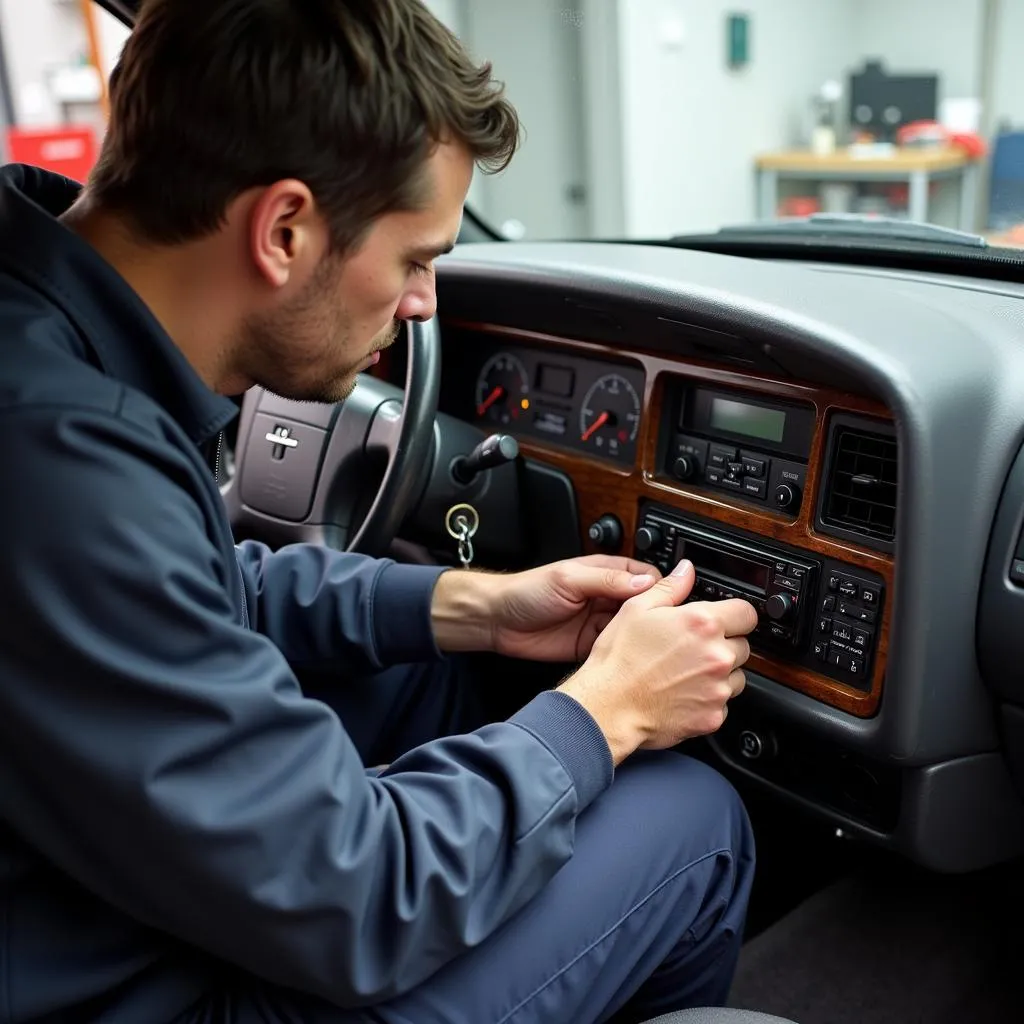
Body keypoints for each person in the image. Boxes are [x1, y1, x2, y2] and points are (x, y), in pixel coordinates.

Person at [0, 1, 758, 1022]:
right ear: (283, 229)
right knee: (690, 813)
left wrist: (471, 605)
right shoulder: (62, 457)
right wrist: (607, 709)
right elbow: (361, 896)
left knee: (433, 677)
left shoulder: (47, 341)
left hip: (109, 902)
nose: (423, 303)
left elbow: (202, 593)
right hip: (149, 987)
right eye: (414, 259)